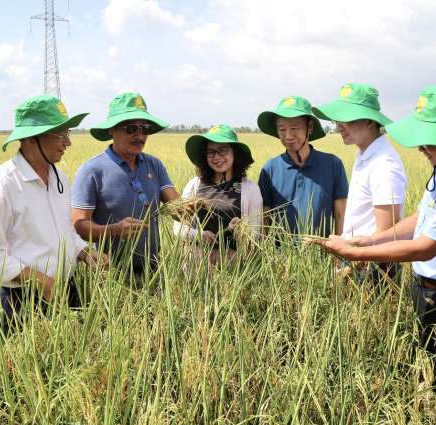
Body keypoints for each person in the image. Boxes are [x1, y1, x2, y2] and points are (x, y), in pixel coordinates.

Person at [309, 86, 436, 410]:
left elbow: (426, 246)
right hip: (428, 293)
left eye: (427, 138)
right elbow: (422, 220)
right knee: (430, 382)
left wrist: (354, 254)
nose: (419, 148)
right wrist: (369, 239)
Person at [0, 94, 109, 337]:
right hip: (21, 302)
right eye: (60, 135)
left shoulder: (60, 178)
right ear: (30, 138)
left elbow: (65, 230)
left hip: (65, 292)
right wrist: (41, 282)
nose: (67, 142)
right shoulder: (1, 185)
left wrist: (85, 251)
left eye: (67, 134)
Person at [71, 93, 180, 273]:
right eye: (131, 128)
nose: (140, 135)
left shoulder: (154, 165)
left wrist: (194, 207)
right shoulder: (92, 170)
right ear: (111, 129)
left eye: (145, 128)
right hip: (110, 273)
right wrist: (114, 230)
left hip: (152, 270)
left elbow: (176, 207)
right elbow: (79, 226)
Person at [312, 83, 407, 282]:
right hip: (358, 261)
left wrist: (349, 269)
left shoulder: (384, 164)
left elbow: (386, 233)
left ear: (369, 121)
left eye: (345, 119)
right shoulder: (365, 155)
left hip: (373, 267)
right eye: (336, 120)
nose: (338, 126)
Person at [257, 96, 349, 239]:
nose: (288, 136)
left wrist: (340, 253)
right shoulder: (269, 169)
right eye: (282, 129)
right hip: (283, 256)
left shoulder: (332, 164)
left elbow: (340, 214)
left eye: (294, 128)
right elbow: (265, 217)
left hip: (322, 253)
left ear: (310, 127)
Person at [173, 125, 262, 265]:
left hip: (235, 265)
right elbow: (178, 227)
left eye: (223, 150)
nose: (217, 157)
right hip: (198, 264)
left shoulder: (250, 188)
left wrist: (239, 230)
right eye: (211, 152)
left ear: (235, 152)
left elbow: (255, 233)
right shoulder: (194, 185)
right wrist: (197, 235)